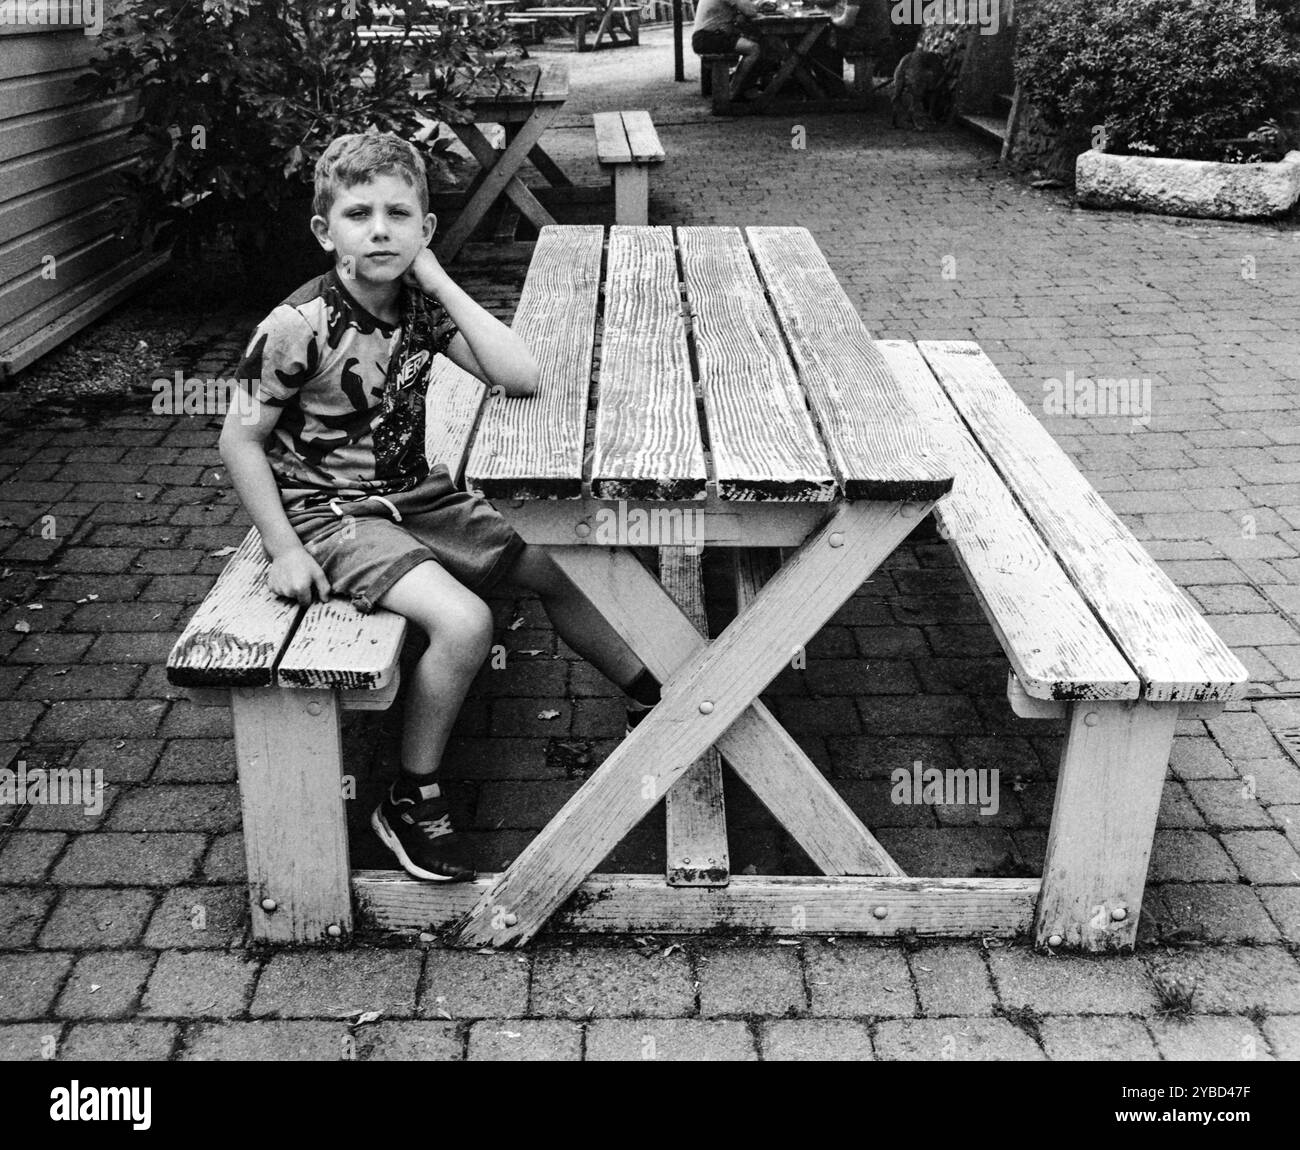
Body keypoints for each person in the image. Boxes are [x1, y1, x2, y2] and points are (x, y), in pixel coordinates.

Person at [219, 132, 660, 883]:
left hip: (416, 498)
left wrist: (441, 280)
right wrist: (286, 548)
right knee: (465, 622)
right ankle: (410, 792)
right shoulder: (297, 326)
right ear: (327, 232)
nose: (381, 229)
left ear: (425, 230)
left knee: (559, 561)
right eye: (359, 214)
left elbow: (519, 376)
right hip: (332, 518)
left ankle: (657, 699)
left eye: (400, 214)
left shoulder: (422, 309)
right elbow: (239, 441)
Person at [690, 0, 763, 76]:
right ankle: (735, 86)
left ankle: (740, 82)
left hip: (704, 37)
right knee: (753, 48)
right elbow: (750, 11)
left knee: (748, 38)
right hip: (709, 37)